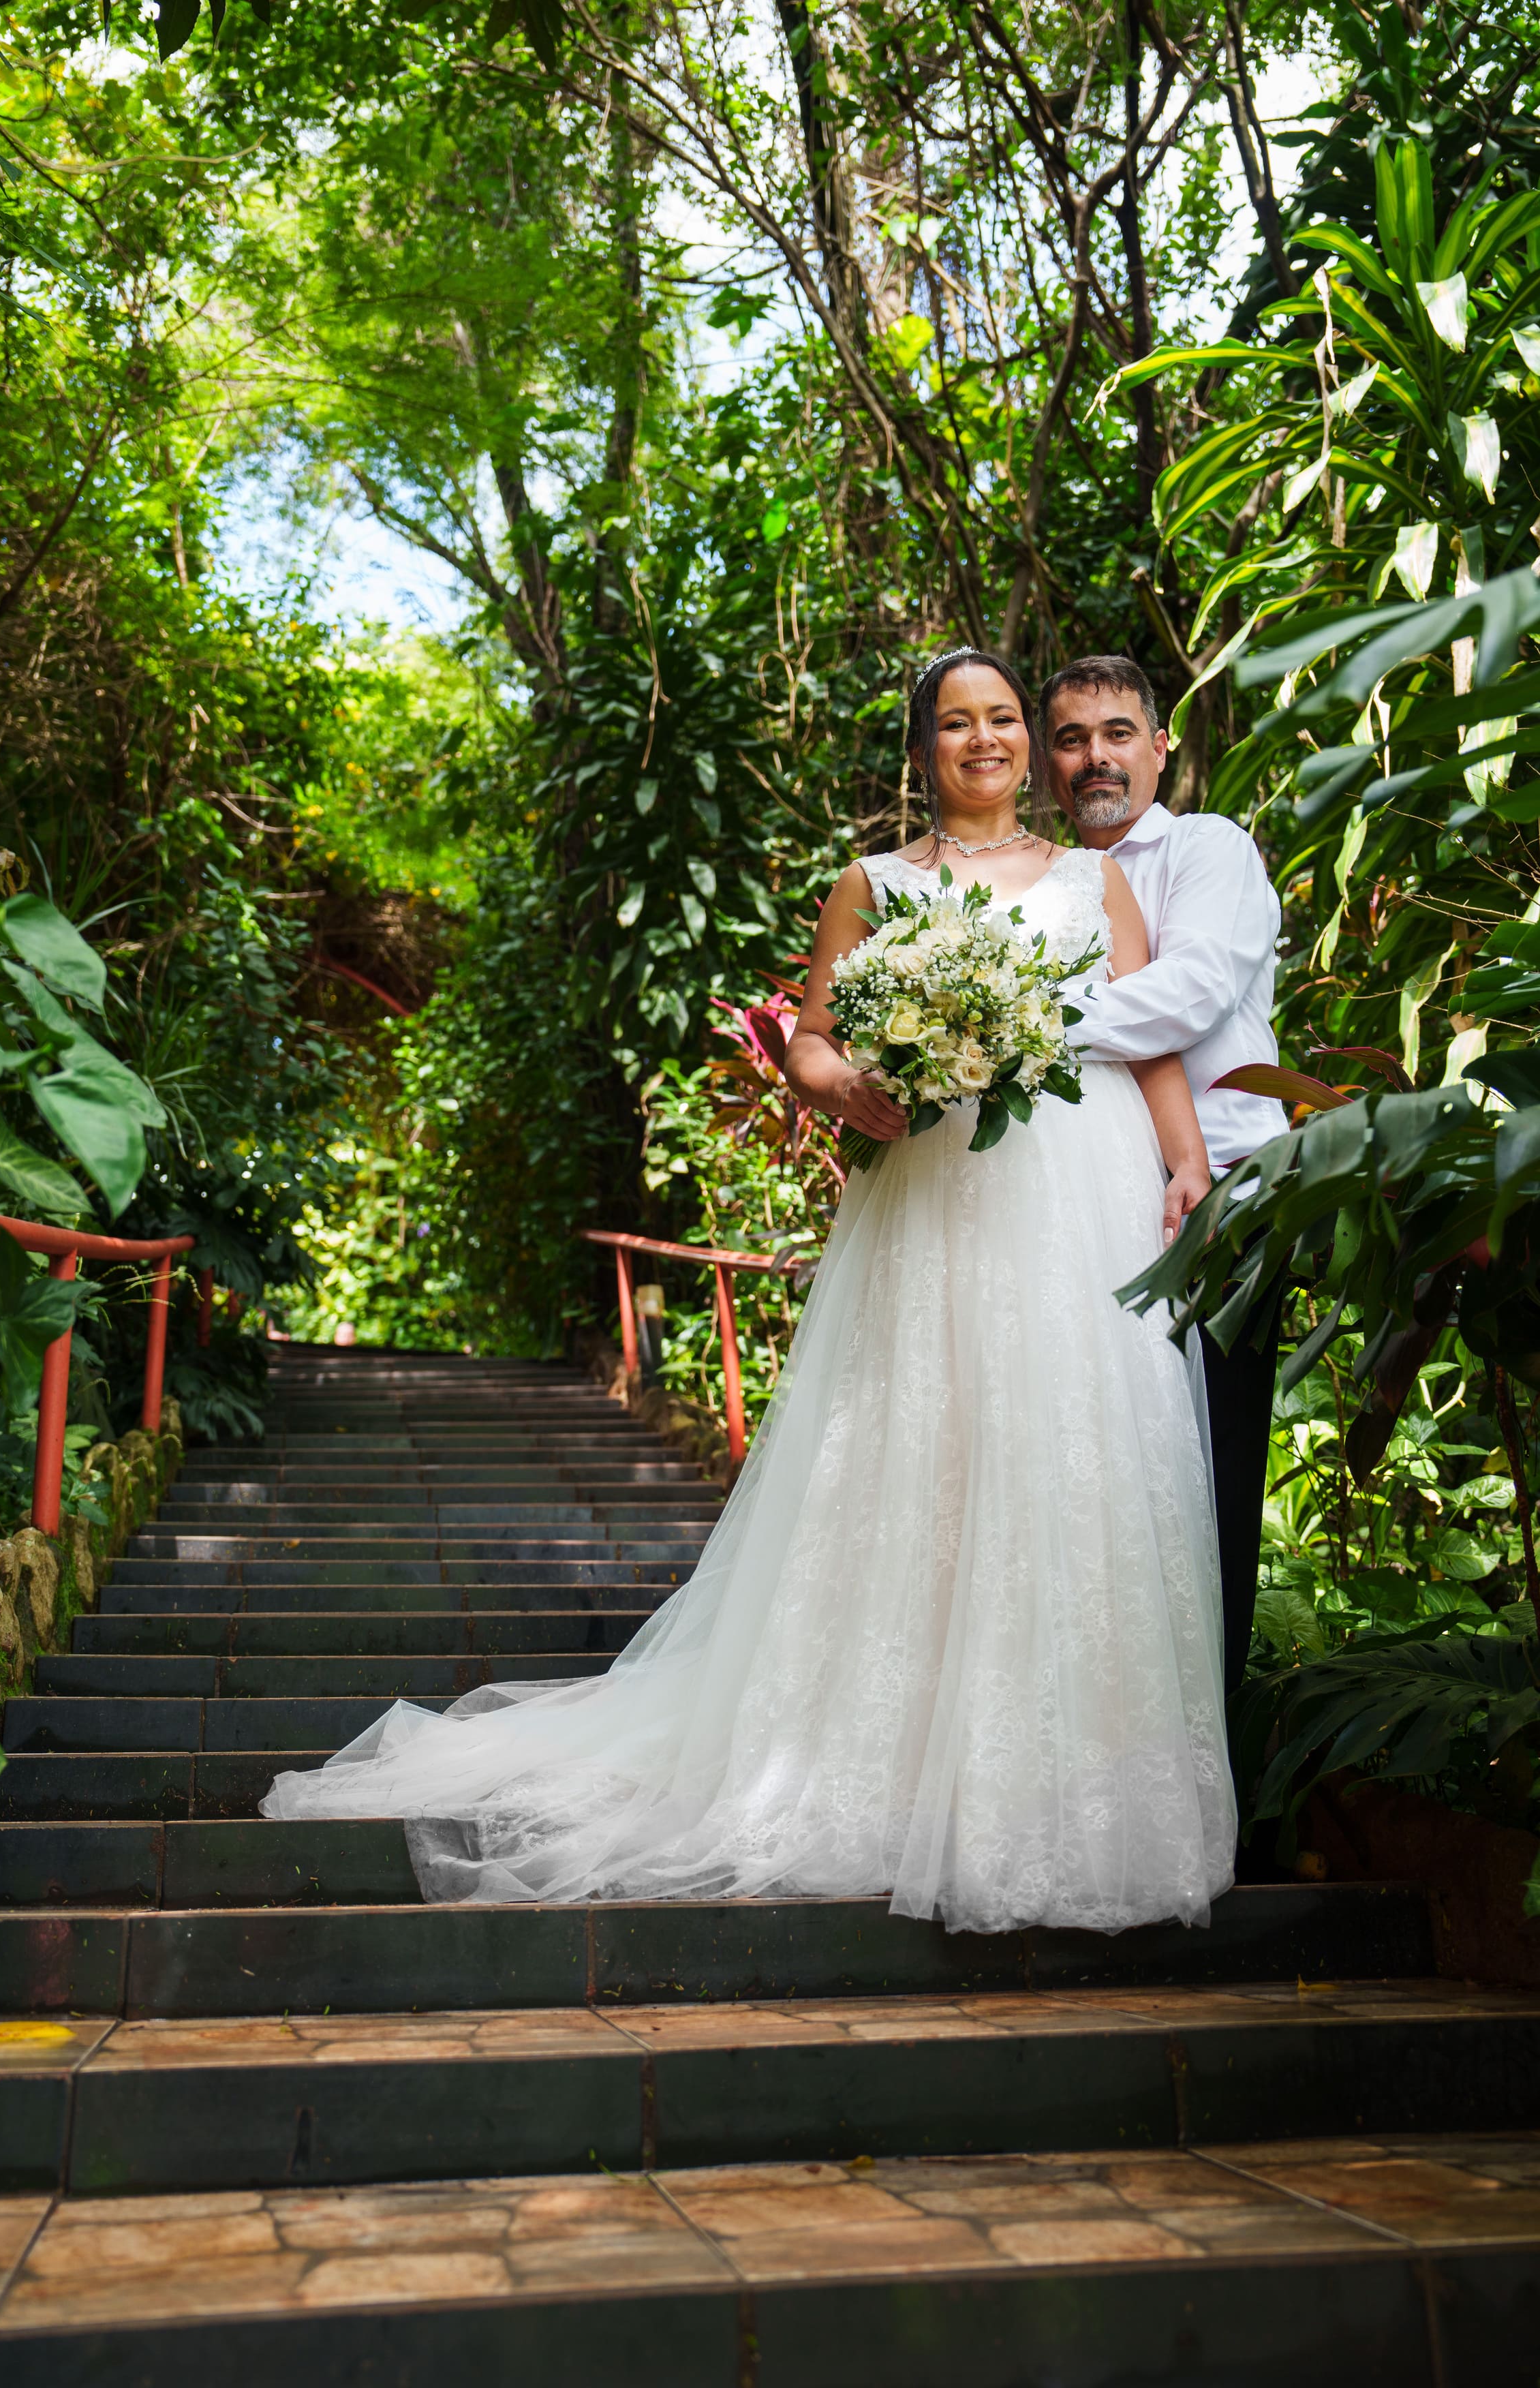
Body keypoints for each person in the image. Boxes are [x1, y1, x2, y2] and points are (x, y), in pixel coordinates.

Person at [262, 647, 1237, 1937]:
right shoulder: (874, 885)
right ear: (924, 747)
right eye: (959, 722)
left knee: (1083, 1462)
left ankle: (1074, 1788)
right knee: (927, 1460)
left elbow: (1148, 1032)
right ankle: (892, 1769)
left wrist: (1183, 1164)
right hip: (931, 1201)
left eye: (1006, 719)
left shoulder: (1094, 881)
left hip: (1085, 1198)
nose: (988, 741)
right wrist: (847, 1087)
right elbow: (814, 1044)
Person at [1040, 656, 1284, 1697]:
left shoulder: (1205, 850)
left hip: (1219, 1197)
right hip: (1074, 1214)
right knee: (1090, 1493)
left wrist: (1019, 1029)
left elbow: (1188, 996)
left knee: (1210, 1485)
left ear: (1160, 745)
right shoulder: (1035, 882)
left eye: (1118, 732)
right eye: (1072, 737)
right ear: (1050, 762)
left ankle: (1216, 1784)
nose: (1096, 756)